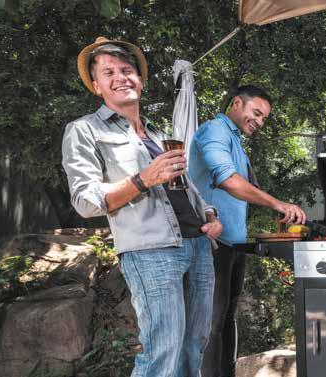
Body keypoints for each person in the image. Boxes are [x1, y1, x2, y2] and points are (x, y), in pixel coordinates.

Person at [62, 37, 223, 377]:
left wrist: (209, 214)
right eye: (109, 72)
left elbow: (186, 186)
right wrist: (143, 179)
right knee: (161, 352)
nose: (120, 77)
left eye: (127, 70)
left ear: (140, 79)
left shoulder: (157, 132)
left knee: (193, 347)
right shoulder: (83, 130)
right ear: (96, 86)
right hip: (151, 252)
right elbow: (85, 200)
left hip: (197, 245)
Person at [189, 85, 306, 377]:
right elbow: (228, 180)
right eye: (256, 113)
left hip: (234, 245)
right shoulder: (214, 130)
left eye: (264, 118)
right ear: (237, 103)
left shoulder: (236, 141)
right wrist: (278, 204)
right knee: (211, 324)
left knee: (227, 320)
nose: (260, 122)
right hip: (210, 244)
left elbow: (242, 192)